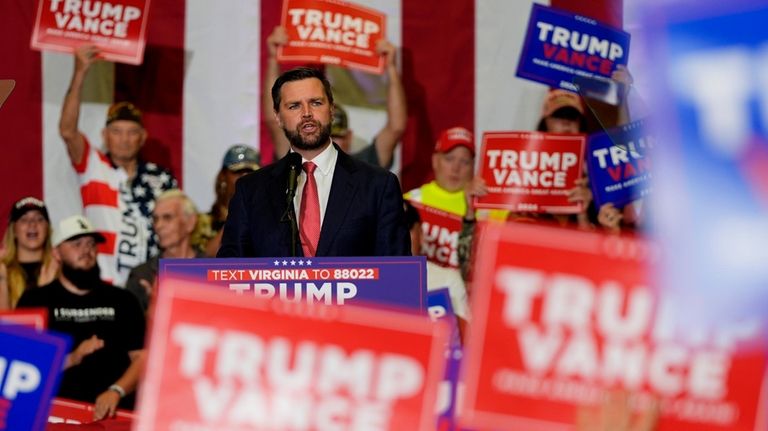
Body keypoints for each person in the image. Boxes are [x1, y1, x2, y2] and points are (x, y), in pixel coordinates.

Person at [218, 67, 410, 257]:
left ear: (332, 109)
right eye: (294, 106)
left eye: (316, 103)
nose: (307, 113)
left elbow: (396, 272)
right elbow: (230, 274)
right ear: (277, 117)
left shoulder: (377, 185)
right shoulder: (251, 190)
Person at [58, 45, 177, 287]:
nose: (124, 139)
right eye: (116, 132)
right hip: (104, 285)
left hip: (150, 284)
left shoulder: (160, 177)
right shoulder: (93, 165)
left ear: (143, 137)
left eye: (132, 132)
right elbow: (67, 131)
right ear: (105, 135)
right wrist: (80, 72)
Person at [16, 215, 145, 415]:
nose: (86, 250)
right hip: (58, 416)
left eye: (91, 243)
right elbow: (23, 369)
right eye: (76, 244)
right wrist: (73, 358)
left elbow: (142, 359)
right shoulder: (34, 301)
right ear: (57, 253)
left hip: (115, 417)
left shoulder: (123, 300)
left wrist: (116, 390)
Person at [264, 26, 407, 169]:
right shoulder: (294, 163)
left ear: (349, 137)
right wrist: (273, 58)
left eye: (337, 136)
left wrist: (391, 68)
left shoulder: (363, 166)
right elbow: (273, 120)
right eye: (327, 134)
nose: (331, 141)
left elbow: (396, 127)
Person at [126, 189, 203, 311]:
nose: (158, 226)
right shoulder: (141, 277)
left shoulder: (214, 271)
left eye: (167, 218)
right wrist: (153, 310)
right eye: (155, 219)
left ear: (190, 222)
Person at [0, 197, 58, 309]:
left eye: (39, 219)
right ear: (14, 230)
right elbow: (3, 324)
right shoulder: (2, 271)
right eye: (24, 219)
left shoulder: (61, 270)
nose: (32, 224)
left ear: (47, 228)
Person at [203, 145, 261, 256]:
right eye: (238, 172)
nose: (245, 177)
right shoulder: (204, 223)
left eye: (250, 172)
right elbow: (201, 261)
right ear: (223, 176)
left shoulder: (269, 217)